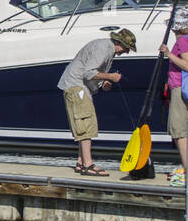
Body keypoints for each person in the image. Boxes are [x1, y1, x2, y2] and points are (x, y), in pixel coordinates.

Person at [58, 28, 137, 176]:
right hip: (77, 86)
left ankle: (81, 162)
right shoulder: (104, 48)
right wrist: (111, 77)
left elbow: (91, 72)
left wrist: (103, 83)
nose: (126, 52)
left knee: (84, 123)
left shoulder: (106, 48)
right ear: (119, 42)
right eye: (127, 48)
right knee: (86, 124)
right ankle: (88, 165)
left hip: (77, 86)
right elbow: (88, 73)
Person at [159, 9, 188, 186]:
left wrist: (169, 54)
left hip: (181, 87)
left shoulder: (183, 41)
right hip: (180, 86)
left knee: (179, 131)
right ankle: (186, 167)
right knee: (179, 130)